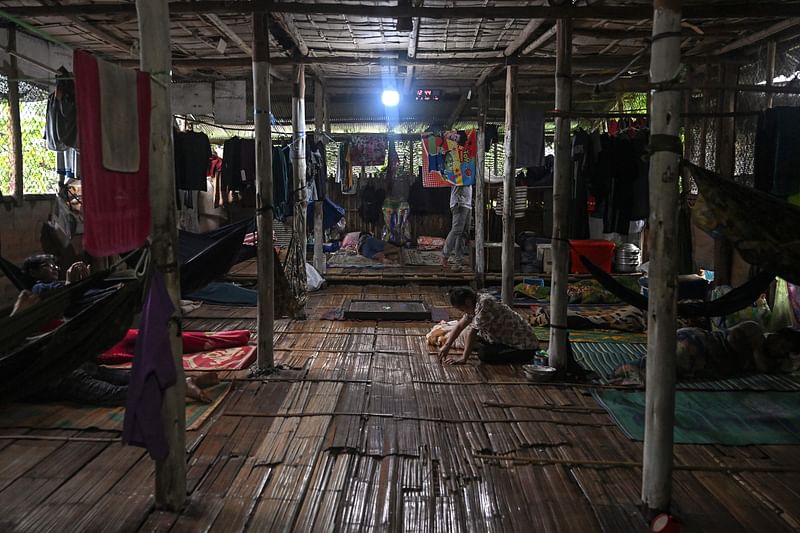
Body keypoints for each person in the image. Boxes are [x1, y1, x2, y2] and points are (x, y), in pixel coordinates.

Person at [614, 321, 800, 383]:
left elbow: (773, 366)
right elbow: (733, 339)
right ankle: (629, 372)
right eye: (781, 346)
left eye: (784, 352)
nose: (779, 352)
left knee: (669, 372)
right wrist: (752, 354)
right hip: (698, 342)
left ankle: (630, 373)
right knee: (663, 364)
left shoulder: (772, 359)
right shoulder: (755, 331)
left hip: (703, 358)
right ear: (775, 337)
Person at [439, 286, 539, 365]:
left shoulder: (485, 303)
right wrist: (446, 346)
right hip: (502, 339)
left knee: (484, 354)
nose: (463, 312)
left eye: (462, 309)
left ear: (467, 302)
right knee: (469, 339)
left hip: (524, 347)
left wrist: (463, 358)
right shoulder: (474, 303)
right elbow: (460, 325)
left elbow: (472, 332)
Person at [22, 253, 91, 296]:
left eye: (55, 266)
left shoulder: (59, 283)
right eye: (49, 265)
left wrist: (84, 280)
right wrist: (69, 282)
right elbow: (62, 300)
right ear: (33, 272)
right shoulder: (38, 287)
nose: (56, 268)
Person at [441, 184, 473, 271]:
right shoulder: (457, 171)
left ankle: (458, 260)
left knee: (464, 233)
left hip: (467, 203)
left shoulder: (470, 171)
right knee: (456, 231)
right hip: (459, 203)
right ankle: (445, 255)